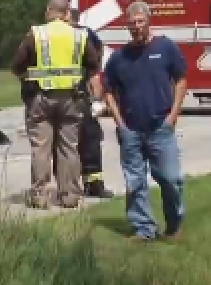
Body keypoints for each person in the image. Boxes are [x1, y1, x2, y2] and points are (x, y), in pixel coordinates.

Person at [102, 0, 187, 242]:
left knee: (170, 179)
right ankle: (144, 229)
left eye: (140, 22)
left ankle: (174, 225)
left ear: (149, 21)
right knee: (135, 182)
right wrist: (119, 123)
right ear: (127, 26)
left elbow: (181, 80)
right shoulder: (119, 58)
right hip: (131, 129)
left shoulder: (166, 47)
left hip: (161, 125)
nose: (137, 27)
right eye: (132, 23)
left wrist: (173, 115)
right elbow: (107, 90)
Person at [12, 0, 100, 209]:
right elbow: (93, 64)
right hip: (71, 97)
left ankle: (41, 195)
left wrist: (28, 79)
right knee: (69, 147)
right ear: (66, 13)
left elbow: (17, 65)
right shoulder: (79, 34)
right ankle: (69, 195)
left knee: (41, 147)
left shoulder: (36, 34)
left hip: (41, 98)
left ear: (51, 11)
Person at [71, 8, 115, 198]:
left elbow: (94, 70)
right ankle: (88, 185)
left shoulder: (85, 35)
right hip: (75, 96)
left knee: (87, 139)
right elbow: (95, 70)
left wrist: (96, 99)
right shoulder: (85, 35)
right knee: (87, 140)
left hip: (72, 96)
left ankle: (89, 184)